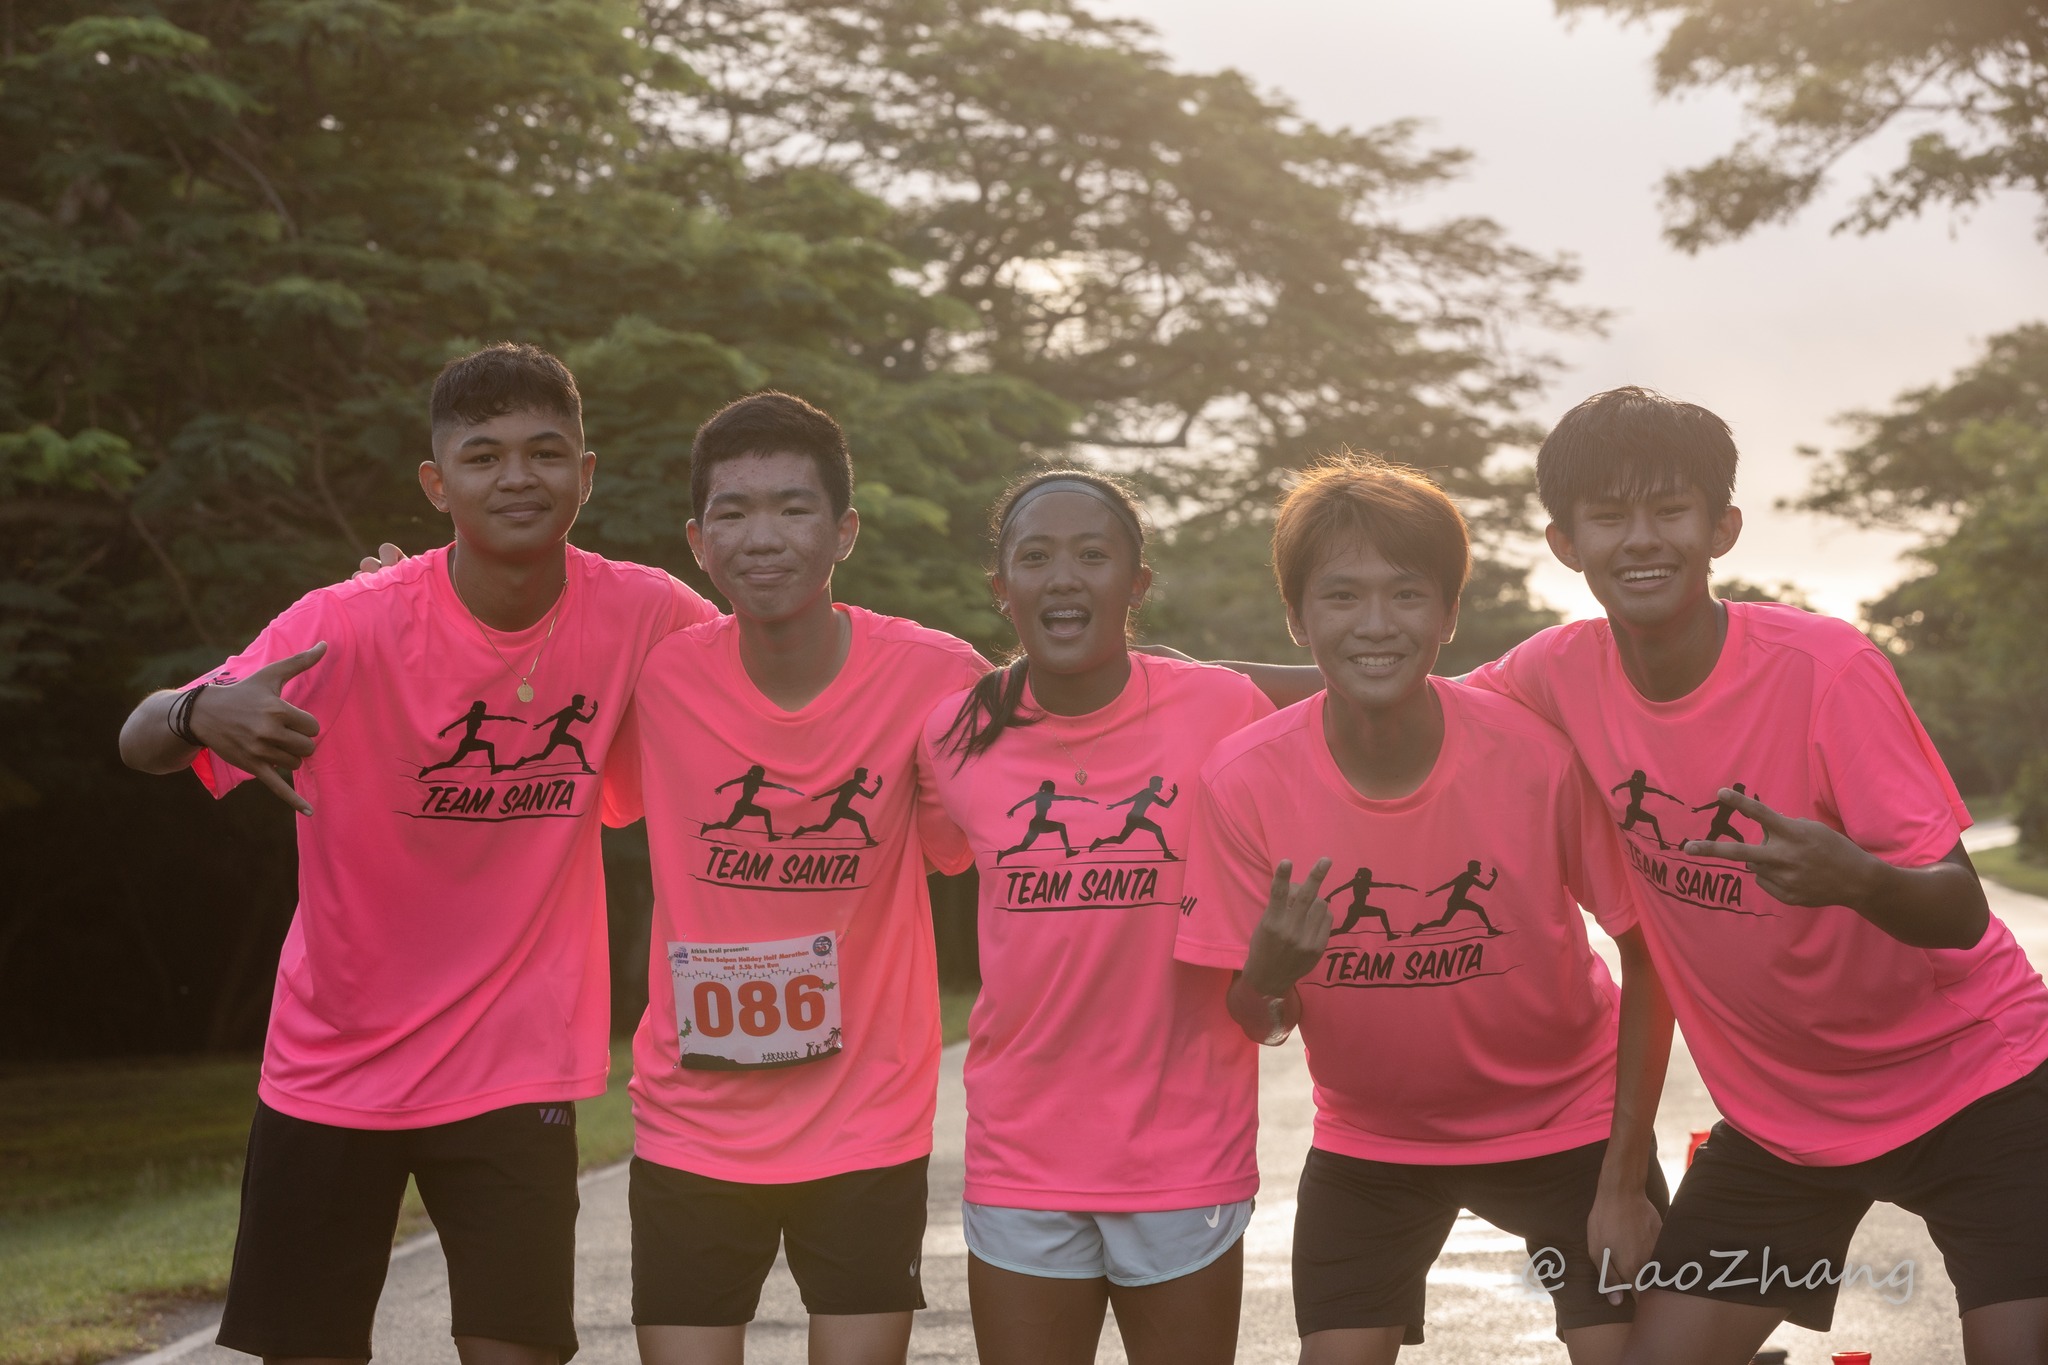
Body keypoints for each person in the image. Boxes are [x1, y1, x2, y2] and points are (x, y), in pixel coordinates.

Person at [117, 343, 719, 1365]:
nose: (517, 476)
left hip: (516, 1064)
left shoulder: (646, 611)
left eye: (545, 452)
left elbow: (765, 697)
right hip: (333, 1063)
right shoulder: (346, 627)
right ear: (437, 485)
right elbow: (140, 739)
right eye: (483, 456)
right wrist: (201, 709)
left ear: (588, 471)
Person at [1466, 386, 2048, 1365]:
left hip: (1976, 1089)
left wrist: (1854, 877)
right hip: (1785, 1130)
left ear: (1719, 527)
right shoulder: (1556, 672)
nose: (1639, 539)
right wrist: (1195, 682)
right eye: (1608, 516)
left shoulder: (1823, 669)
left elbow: (1955, 910)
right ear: (1565, 542)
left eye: (1667, 510)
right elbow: (1406, 701)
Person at [1176, 453, 1673, 1365]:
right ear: (1297, 617)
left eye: (1407, 596)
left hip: (1570, 1124)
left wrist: (1624, 1175)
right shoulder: (1243, 780)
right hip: (1375, 1143)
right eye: (1341, 597)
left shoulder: (1534, 757)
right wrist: (1268, 975)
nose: (1376, 625)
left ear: (1449, 615)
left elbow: (1649, 955)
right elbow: (1257, 1016)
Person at [602, 392, 987, 1365]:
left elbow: (1052, 777)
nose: (761, 538)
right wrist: (401, 585)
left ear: (844, 531)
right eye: (732, 513)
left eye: (792, 508)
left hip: (867, 1116)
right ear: (697, 541)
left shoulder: (936, 677)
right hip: (693, 1116)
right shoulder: (654, 676)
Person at [919, 470, 1274, 1365]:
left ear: (1136, 583)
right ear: (1003, 593)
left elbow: (1348, 697)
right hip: (1021, 1155)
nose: (1063, 577)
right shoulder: (957, 734)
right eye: (1034, 558)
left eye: (1092, 554)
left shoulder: (1221, 709)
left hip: (1184, 1149)